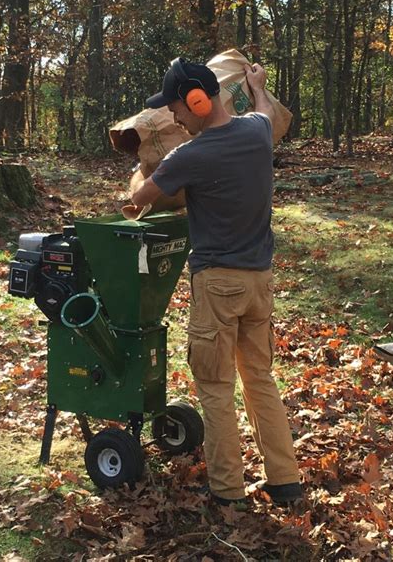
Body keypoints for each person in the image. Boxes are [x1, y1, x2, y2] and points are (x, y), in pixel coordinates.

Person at [131, 57, 301, 506]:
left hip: (217, 286)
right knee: (260, 378)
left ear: (198, 100)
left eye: (178, 109)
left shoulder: (190, 155)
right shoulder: (256, 132)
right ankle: (285, 480)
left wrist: (144, 165)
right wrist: (258, 85)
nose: (176, 119)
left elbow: (139, 198)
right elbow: (264, 110)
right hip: (260, 282)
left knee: (215, 387)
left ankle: (227, 490)